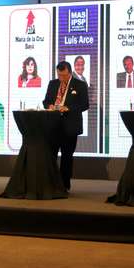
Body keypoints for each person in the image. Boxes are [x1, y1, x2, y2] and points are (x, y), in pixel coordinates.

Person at [43, 61, 89, 191]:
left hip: (70, 126)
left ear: (69, 72)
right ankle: (50, 183)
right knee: (50, 155)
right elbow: (45, 101)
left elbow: (85, 105)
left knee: (67, 156)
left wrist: (68, 108)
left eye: (63, 75)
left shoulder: (80, 85)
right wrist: (49, 106)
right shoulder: (53, 84)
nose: (61, 78)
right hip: (53, 125)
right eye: (59, 75)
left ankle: (64, 185)